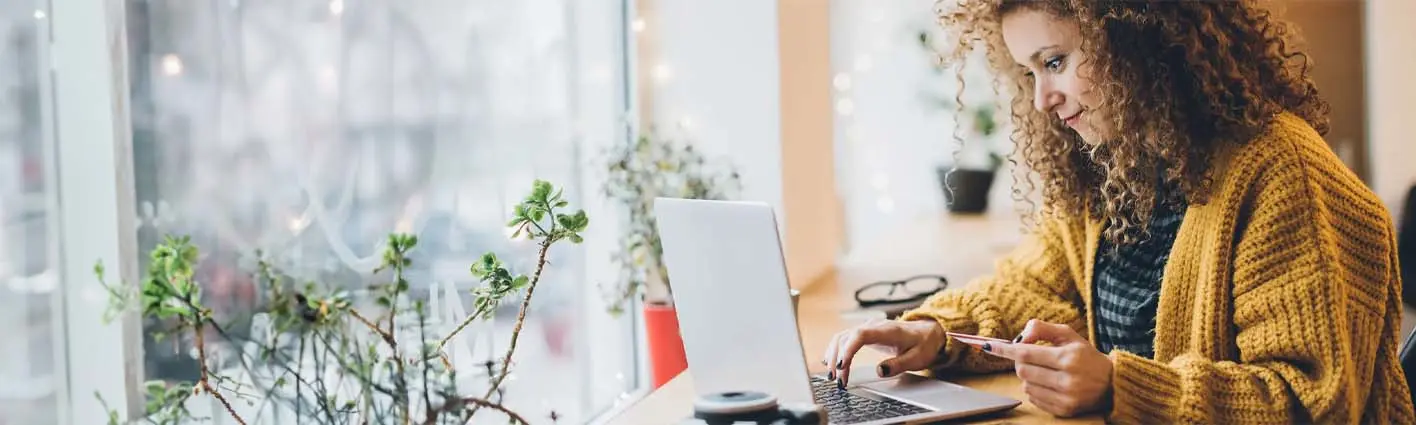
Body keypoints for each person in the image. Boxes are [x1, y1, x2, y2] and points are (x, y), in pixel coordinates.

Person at [823, 1, 1415, 423]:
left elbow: (1311, 401)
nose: (1040, 99)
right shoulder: (1119, 165)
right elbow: (1031, 288)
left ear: (1136, 37)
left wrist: (1119, 386)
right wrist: (934, 332)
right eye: (1028, 71)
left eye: (1054, 62)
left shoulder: (1282, 173)